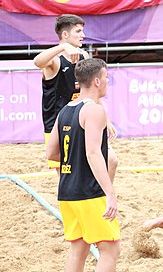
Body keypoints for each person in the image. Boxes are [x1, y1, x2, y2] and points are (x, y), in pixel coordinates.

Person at [46, 57, 120, 272]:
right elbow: (92, 153)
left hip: (67, 190)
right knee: (110, 249)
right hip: (89, 192)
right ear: (97, 81)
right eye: (107, 77)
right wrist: (110, 192)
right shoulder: (95, 110)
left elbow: (51, 152)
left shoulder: (66, 109)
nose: (107, 82)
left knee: (78, 250)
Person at [33, 14, 118, 180]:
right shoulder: (55, 61)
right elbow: (37, 61)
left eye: (82, 31)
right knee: (66, 176)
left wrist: (105, 120)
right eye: (78, 31)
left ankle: (105, 198)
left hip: (82, 120)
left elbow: (92, 92)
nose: (83, 35)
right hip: (59, 125)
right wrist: (63, 47)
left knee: (111, 160)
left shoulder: (83, 57)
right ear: (65, 35)